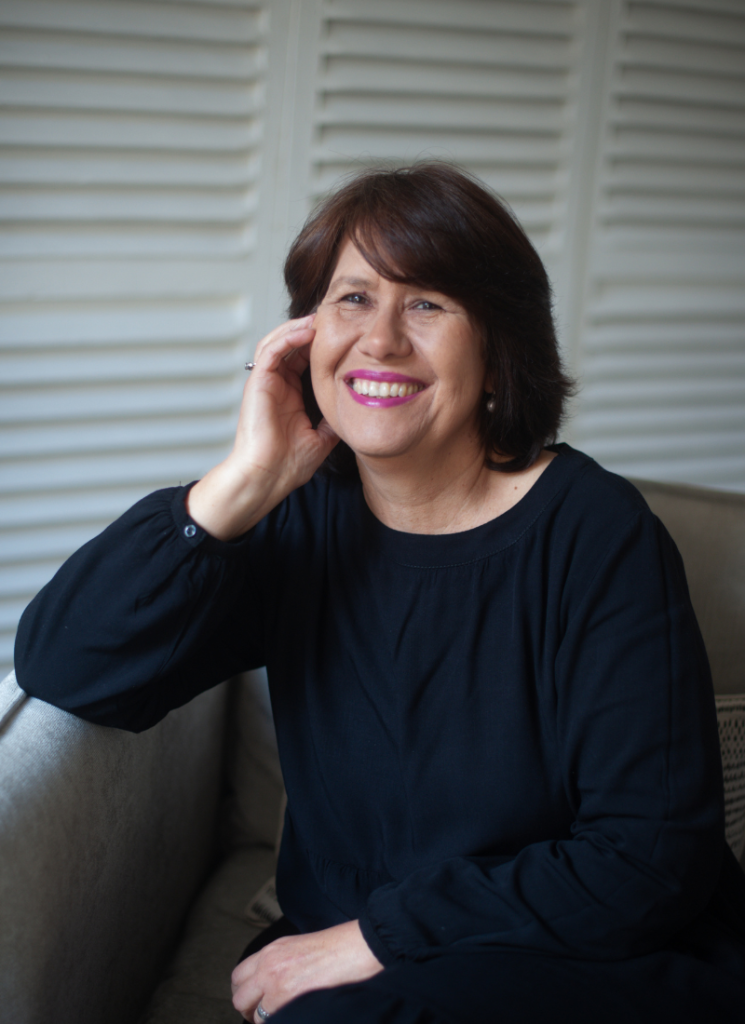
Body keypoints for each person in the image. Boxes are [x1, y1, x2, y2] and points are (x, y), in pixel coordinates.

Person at [15, 164, 745, 1024]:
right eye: (353, 299)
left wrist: (373, 937)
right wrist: (244, 478)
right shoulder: (295, 518)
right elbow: (69, 668)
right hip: (372, 953)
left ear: (499, 353)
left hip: (585, 951)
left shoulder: (594, 532)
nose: (382, 340)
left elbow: (648, 858)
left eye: (427, 303)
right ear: (304, 336)